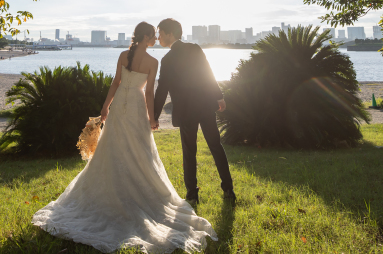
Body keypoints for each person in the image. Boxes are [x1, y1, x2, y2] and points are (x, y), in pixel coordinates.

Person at [32, 21, 216, 252]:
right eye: (154, 35)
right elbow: (148, 92)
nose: (156, 38)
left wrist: (105, 108)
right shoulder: (153, 61)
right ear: (147, 37)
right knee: (140, 150)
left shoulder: (122, 55)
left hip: (119, 105)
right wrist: (152, 118)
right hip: (137, 108)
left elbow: (115, 84)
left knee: (113, 147)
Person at [153, 18, 235, 204]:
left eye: (160, 33)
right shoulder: (195, 49)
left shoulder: (167, 60)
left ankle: (192, 194)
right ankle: (228, 189)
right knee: (216, 146)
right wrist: (219, 96)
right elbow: (208, 72)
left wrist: (154, 116)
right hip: (205, 105)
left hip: (186, 110)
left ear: (170, 33)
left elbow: (161, 90)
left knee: (189, 151)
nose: (158, 37)